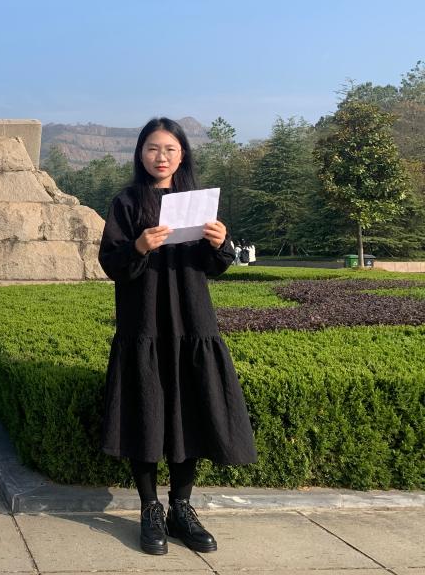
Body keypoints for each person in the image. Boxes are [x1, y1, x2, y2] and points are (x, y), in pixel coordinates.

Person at [98, 117, 256, 556]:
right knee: (146, 410)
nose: (161, 156)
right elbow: (110, 262)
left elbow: (215, 265)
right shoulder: (127, 202)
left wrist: (220, 242)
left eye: (169, 149)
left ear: (182, 154)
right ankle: (149, 508)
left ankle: (181, 507)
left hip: (191, 320)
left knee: (190, 408)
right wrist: (139, 247)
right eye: (152, 148)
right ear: (140, 153)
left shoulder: (197, 202)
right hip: (144, 322)